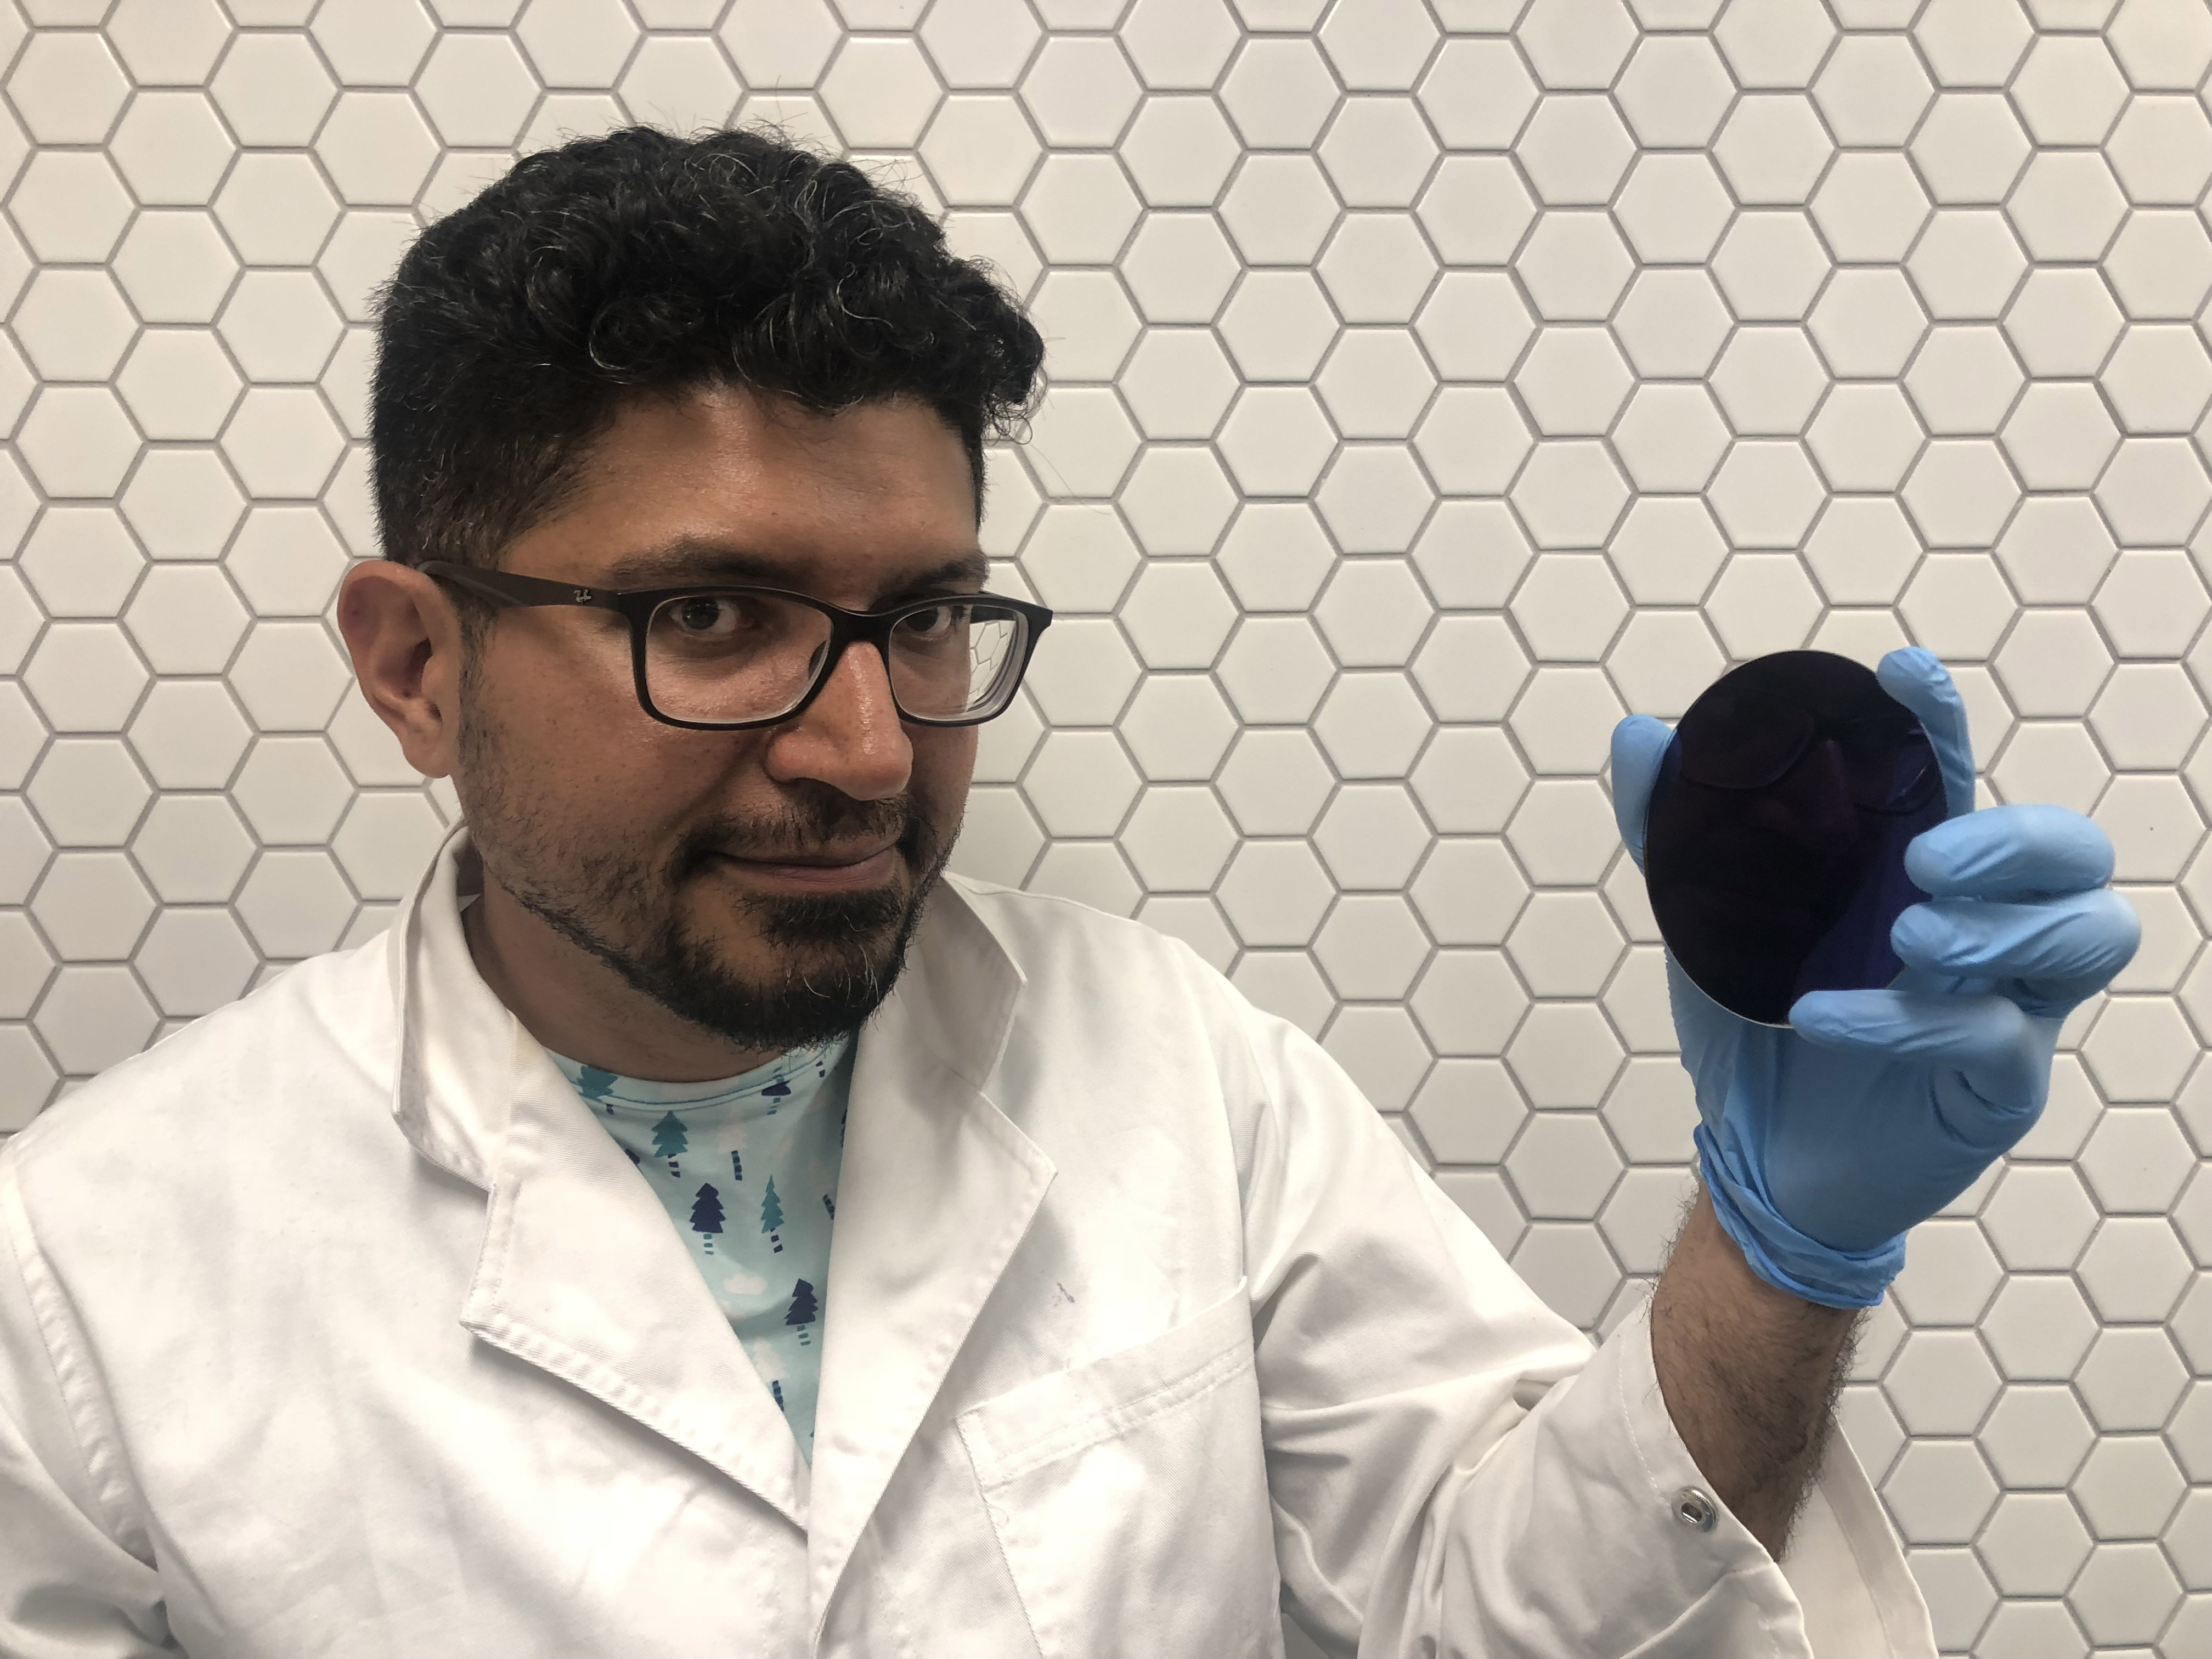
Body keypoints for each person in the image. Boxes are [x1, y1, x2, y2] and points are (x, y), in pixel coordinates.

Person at [0, 127, 2137, 1658]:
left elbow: (1522, 1616)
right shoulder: (85, 1297)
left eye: (925, 620)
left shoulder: (1174, 1077)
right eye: (719, 617)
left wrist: (1787, 1246)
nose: (863, 748)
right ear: (417, 664)